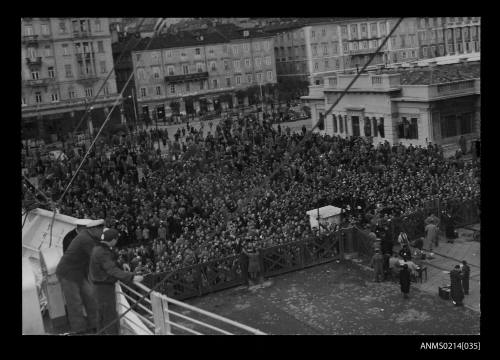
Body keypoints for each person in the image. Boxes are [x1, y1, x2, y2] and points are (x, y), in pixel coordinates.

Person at [89, 228, 144, 335]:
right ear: (113, 240)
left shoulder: (99, 248)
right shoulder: (102, 252)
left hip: (98, 288)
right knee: (109, 316)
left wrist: (121, 263)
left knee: (101, 316)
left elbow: (112, 257)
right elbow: (112, 270)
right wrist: (132, 277)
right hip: (104, 289)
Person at [56, 219, 105, 334]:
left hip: (81, 272)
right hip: (68, 274)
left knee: (90, 296)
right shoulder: (77, 239)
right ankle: (79, 330)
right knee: (75, 302)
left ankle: (95, 324)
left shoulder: (87, 237)